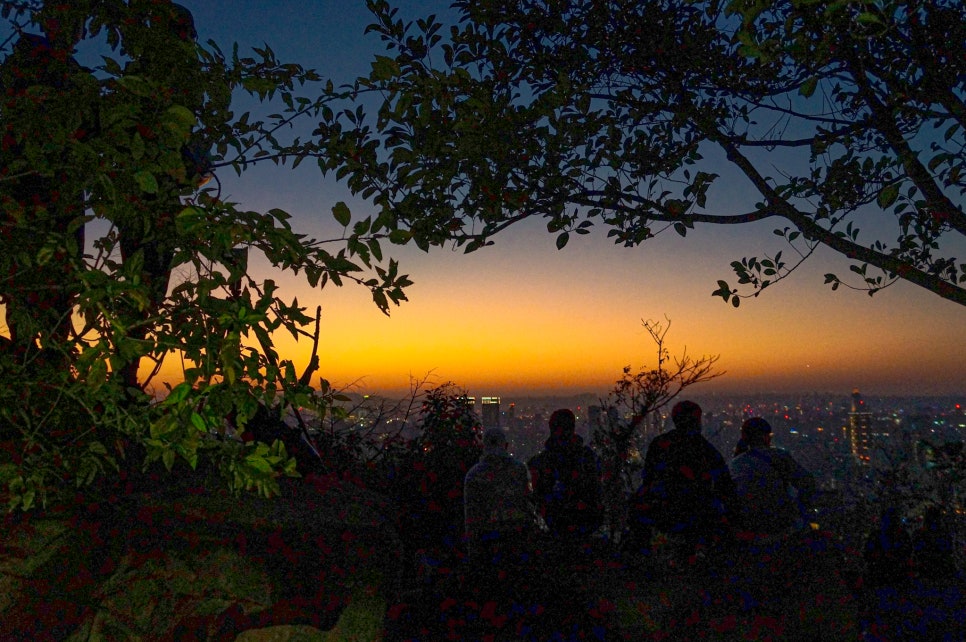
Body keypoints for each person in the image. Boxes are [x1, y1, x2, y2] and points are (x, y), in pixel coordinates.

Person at [630, 400, 737, 555]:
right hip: (694, 513)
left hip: (660, 510)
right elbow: (724, 483)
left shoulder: (660, 443)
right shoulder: (703, 448)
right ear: (697, 421)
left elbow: (648, 477)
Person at [729, 417, 816, 537]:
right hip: (780, 526)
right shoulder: (779, 457)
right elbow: (806, 482)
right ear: (766, 437)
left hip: (748, 526)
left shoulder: (735, 463)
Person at [464, 428, 535, 568]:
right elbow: (525, 505)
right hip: (517, 543)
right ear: (506, 446)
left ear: (484, 447)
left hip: (486, 545)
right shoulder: (518, 470)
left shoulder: (474, 475)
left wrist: (473, 553)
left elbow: (471, 517)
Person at [527, 409, 603, 540]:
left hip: (559, 526)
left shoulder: (541, 462)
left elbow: (538, 498)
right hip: (584, 525)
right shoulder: (587, 457)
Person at [913, 505, 956, 581]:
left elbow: (917, 551)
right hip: (939, 570)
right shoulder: (944, 534)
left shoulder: (920, 534)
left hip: (927, 569)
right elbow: (949, 550)